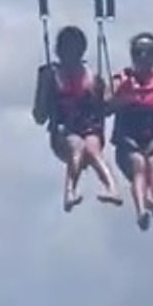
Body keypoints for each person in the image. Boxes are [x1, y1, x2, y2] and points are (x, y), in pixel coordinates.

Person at [31, 25, 122, 212]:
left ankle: (112, 188)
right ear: (59, 50)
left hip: (90, 127)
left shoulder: (93, 77)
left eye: (75, 48)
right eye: (67, 48)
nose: (70, 52)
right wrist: (45, 88)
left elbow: (105, 107)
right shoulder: (51, 75)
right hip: (64, 130)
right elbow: (39, 116)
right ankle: (70, 191)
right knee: (77, 146)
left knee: (93, 149)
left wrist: (113, 98)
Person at [105, 32, 153, 231]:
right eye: (138, 52)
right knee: (139, 166)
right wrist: (121, 96)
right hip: (129, 139)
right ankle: (141, 210)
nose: (143, 57)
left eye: (148, 53)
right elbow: (105, 106)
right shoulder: (120, 80)